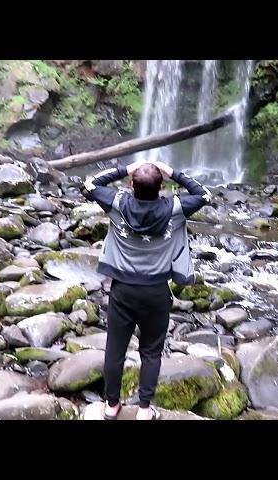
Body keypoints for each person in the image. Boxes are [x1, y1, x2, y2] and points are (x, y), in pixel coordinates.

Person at [82, 159, 211, 420]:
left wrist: (125, 168)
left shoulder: (117, 203)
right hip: (156, 291)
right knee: (151, 352)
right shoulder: (175, 208)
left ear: (131, 185)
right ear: (162, 186)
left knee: (115, 349)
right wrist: (173, 171)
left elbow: (90, 183)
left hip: (123, 290)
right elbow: (204, 194)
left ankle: (111, 406)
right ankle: (143, 409)